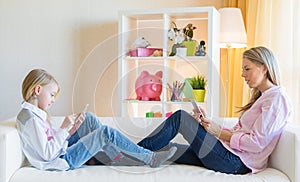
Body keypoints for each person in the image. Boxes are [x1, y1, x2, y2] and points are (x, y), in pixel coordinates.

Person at [138, 46, 291, 174]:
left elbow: (256, 143)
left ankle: (128, 154)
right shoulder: (265, 97)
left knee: (181, 118)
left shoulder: (276, 99)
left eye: (247, 68)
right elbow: (241, 134)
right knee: (163, 147)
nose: (242, 74)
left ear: (264, 67)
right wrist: (210, 127)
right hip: (228, 154)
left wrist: (218, 132)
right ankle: (128, 153)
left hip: (236, 162)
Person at [16, 69, 177, 171]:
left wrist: (70, 130)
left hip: (61, 152)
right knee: (105, 133)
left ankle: (118, 158)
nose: (53, 100)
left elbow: (50, 143)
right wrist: (64, 129)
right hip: (62, 160)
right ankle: (151, 158)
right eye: (52, 95)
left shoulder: (35, 115)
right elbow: (47, 154)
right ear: (38, 90)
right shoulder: (29, 119)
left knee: (90, 119)